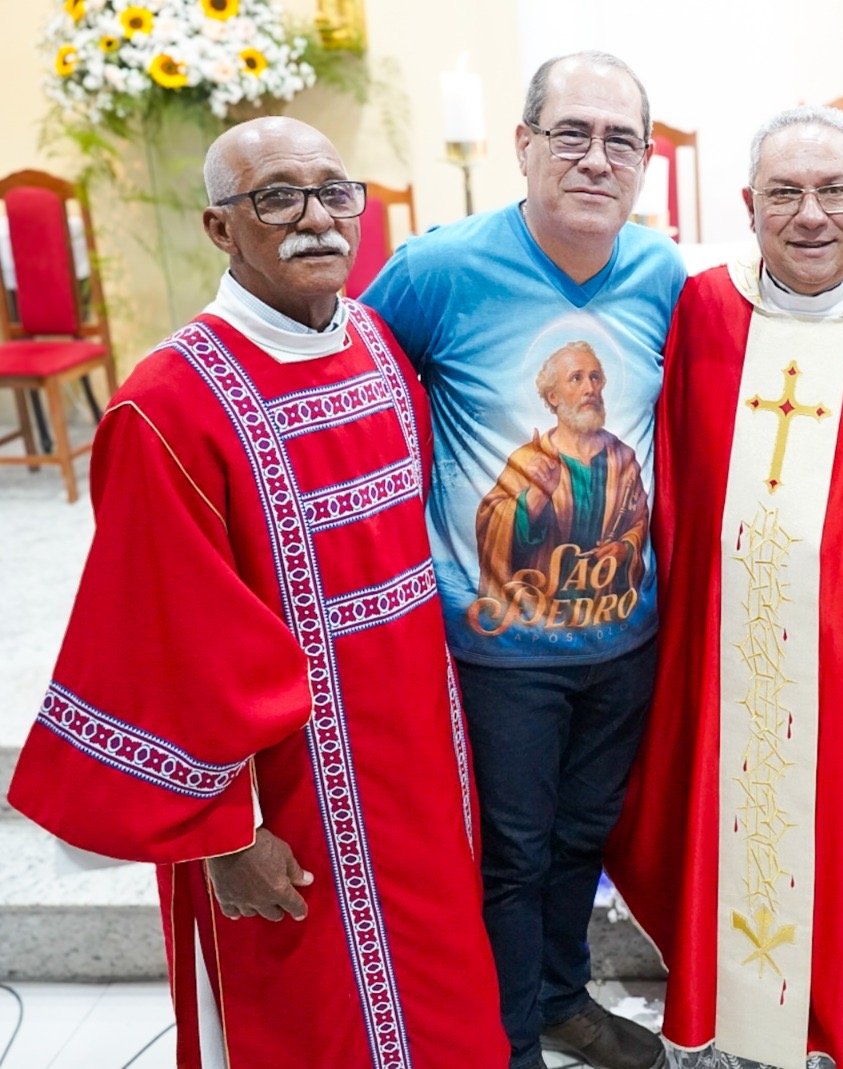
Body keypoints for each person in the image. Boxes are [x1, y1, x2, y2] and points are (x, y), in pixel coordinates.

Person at [5, 116, 506, 1069]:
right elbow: (161, 643)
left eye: (333, 191)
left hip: (421, 781)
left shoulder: (375, 345)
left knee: (444, 1008)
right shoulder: (168, 406)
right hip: (290, 803)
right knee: (314, 1022)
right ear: (219, 228)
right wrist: (225, 834)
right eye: (277, 196)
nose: (316, 217)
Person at [605, 105, 843, 1069]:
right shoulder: (705, 309)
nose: (810, 214)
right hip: (725, 665)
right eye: (785, 193)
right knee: (730, 839)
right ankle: (728, 1032)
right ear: (749, 205)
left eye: (832, 192)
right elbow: (665, 483)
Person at [360, 50, 683, 1069]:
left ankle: (558, 996)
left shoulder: (666, 276)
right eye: (572, 134)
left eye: (619, 140)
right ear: (525, 146)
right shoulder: (437, 269)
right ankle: (505, 1038)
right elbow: (352, 390)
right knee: (510, 852)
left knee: (582, 835)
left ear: (644, 161)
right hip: (494, 642)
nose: (595, 158)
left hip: (626, 633)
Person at [474, 339, 649, 612]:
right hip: (539, 613)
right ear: (553, 397)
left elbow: (638, 522)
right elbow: (490, 527)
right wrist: (535, 497)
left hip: (609, 609)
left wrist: (625, 549)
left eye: (595, 377)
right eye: (576, 379)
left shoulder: (623, 459)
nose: (589, 388)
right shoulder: (529, 460)